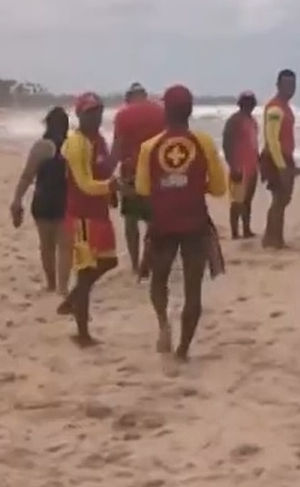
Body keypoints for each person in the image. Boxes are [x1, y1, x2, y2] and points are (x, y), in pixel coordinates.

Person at [134, 84, 227, 360]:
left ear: (165, 109)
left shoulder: (149, 147)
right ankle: (183, 350)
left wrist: (169, 184)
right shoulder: (204, 143)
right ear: (190, 110)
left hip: (162, 225)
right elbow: (220, 188)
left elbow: (143, 189)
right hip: (196, 225)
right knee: (193, 289)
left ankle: (163, 324)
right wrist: (194, 184)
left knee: (158, 280)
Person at [57, 93, 119, 346]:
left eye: (99, 111)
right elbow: (83, 184)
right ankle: (82, 333)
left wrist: (112, 189)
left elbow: (103, 171)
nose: (96, 116)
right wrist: (110, 187)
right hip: (82, 215)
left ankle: (72, 300)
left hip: (99, 213)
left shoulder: (99, 140)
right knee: (85, 273)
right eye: (90, 112)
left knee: (109, 261)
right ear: (80, 115)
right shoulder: (76, 143)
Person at [9, 106, 72, 296]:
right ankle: (63, 288)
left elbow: (27, 176)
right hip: (65, 202)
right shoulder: (73, 146)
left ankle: (51, 283)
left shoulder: (41, 147)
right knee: (65, 247)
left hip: (43, 200)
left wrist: (17, 200)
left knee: (46, 246)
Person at [111, 82, 166, 275]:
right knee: (153, 221)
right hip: (157, 173)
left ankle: (135, 264)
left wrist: (109, 174)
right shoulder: (161, 111)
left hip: (131, 173)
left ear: (130, 97)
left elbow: (118, 146)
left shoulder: (123, 115)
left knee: (131, 221)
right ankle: (148, 261)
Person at [259, 69, 300, 249]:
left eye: (292, 85)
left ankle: (276, 238)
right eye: (286, 84)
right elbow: (272, 139)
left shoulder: (285, 106)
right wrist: (282, 167)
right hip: (275, 158)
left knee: (282, 199)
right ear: (278, 85)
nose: (289, 88)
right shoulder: (275, 108)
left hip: (284, 157)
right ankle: (271, 239)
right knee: (279, 199)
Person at [222, 91, 260, 239]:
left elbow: (253, 144)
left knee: (248, 201)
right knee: (237, 201)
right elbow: (226, 144)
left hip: (252, 166)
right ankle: (235, 232)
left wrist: (258, 161)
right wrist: (232, 164)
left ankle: (246, 229)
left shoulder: (252, 121)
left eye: (251, 102)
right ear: (241, 103)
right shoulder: (234, 121)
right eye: (246, 102)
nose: (249, 105)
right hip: (239, 166)